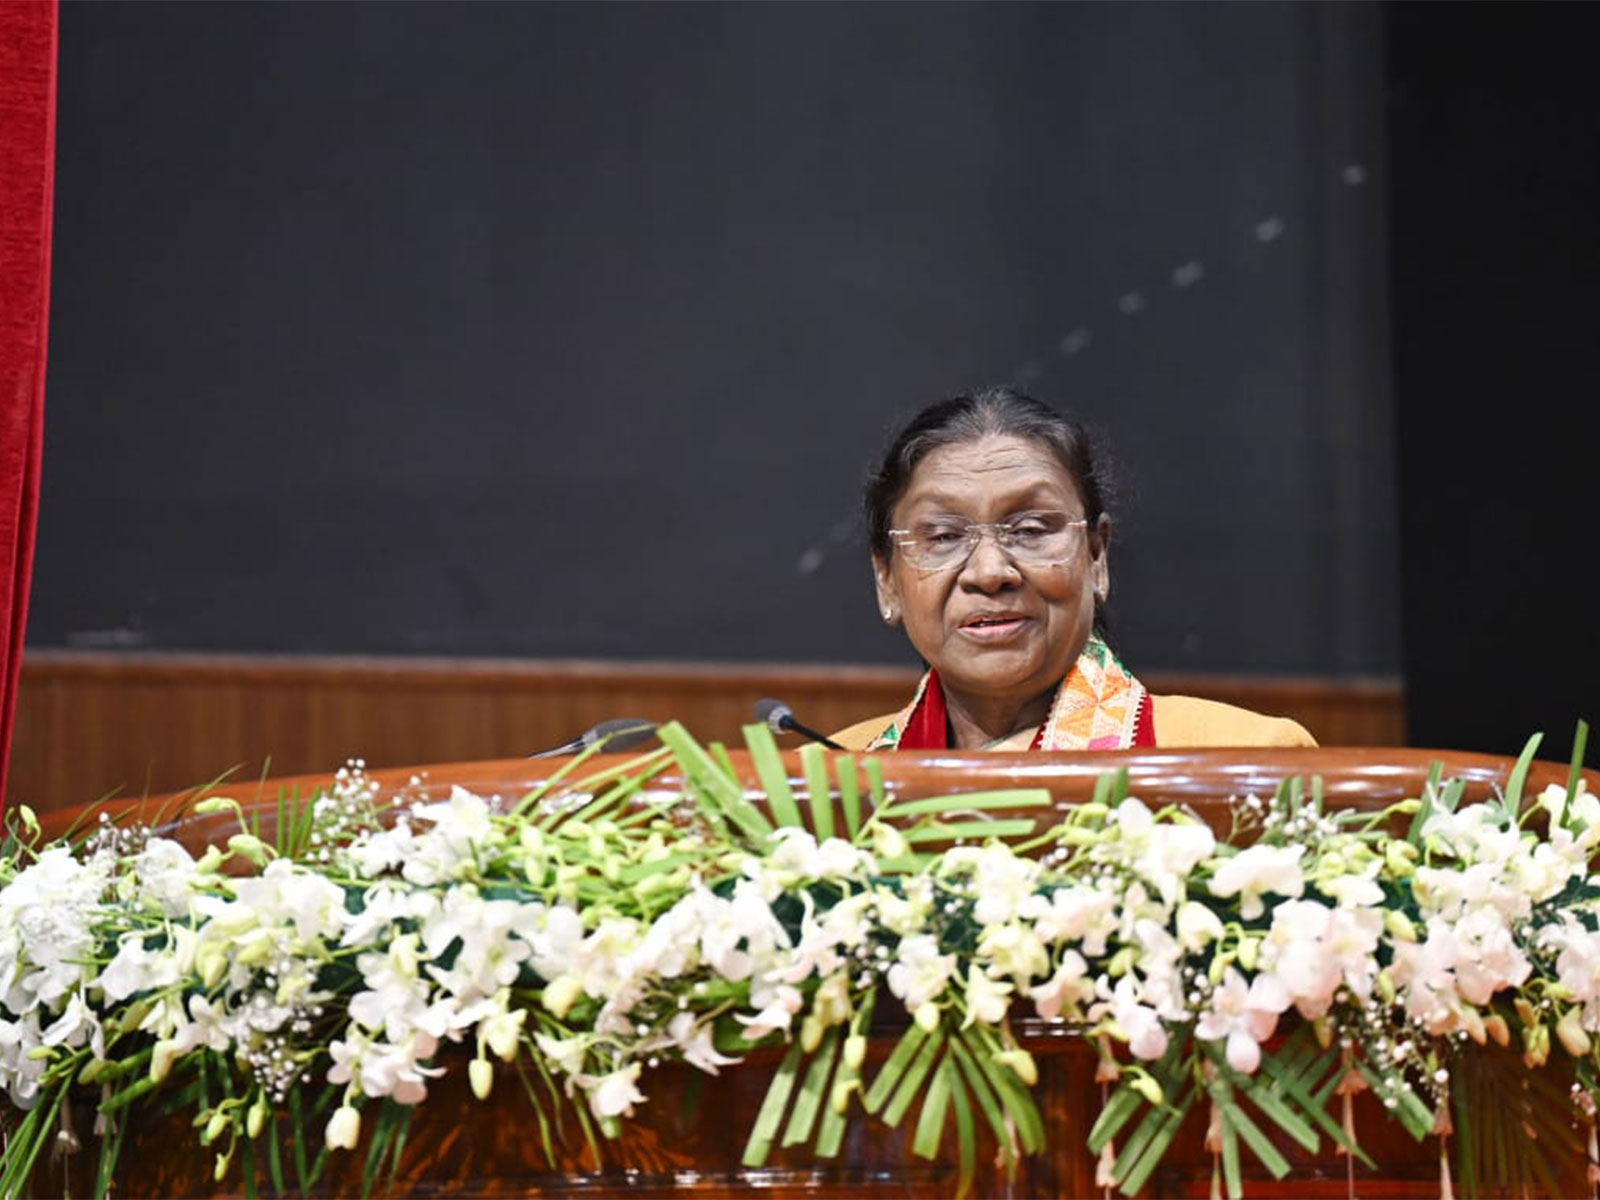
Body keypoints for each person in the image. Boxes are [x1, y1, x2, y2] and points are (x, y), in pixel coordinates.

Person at [832, 387, 1316, 752]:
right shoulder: (824, 787)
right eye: (943, 537)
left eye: (1030, 529)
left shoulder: (1244, 758)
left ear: (1096, 556)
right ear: (887, 581)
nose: (989, 571)